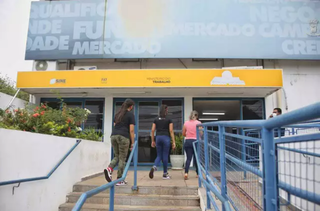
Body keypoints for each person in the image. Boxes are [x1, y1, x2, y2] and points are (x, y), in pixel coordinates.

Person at [104, 99, 135, 186]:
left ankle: (109, 168)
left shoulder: (117, 114)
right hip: (123, 137)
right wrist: (132, 143)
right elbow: (131, 130)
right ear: (131, 106)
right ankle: (119, 180)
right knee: (122, 158)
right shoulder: (130, 115)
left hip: (113, 136)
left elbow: (115, 125)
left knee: (117, 156)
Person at [149, 105, 176, 180]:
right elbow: (171, 131)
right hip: (166, 138)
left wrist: (153, 140)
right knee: (165, 155)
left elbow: (152, 130)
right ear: (166, 110)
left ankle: (154, 166)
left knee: (159, 155)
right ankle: (165, 174)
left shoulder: (156, 119)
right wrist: (173, 141)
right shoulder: (169, 119)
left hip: (158, 138)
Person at [182, 111, 201, 180]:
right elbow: (201, 133)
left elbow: (183, 133)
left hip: (188, 141)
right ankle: (198, 174)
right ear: (196, 116)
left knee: (188, 158)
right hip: (195, 141)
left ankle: (186, 173)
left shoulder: (186, 123)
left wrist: (188, 135)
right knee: (196, 158)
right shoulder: (198, 123)